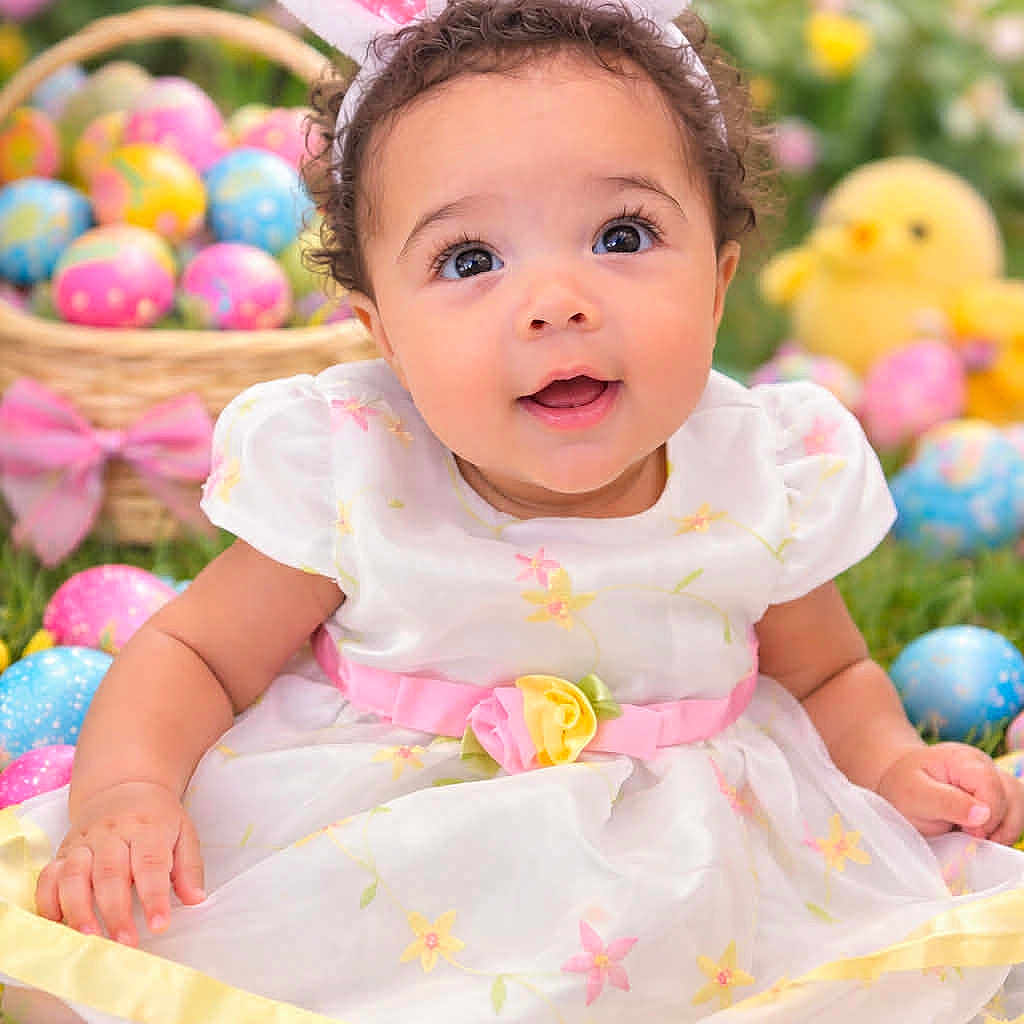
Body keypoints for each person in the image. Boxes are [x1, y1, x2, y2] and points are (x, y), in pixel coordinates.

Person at [3, 0, 1024, 1020]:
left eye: (622, 235)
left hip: (684, 870)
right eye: (470, 261)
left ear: (719, 286)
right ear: (383, 335)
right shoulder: (362, 468)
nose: (555, 301)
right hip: (393, 855)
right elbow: (197, 653)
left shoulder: (756, 472)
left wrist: (891, 760)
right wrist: (127, 792)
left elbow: (829, 672)